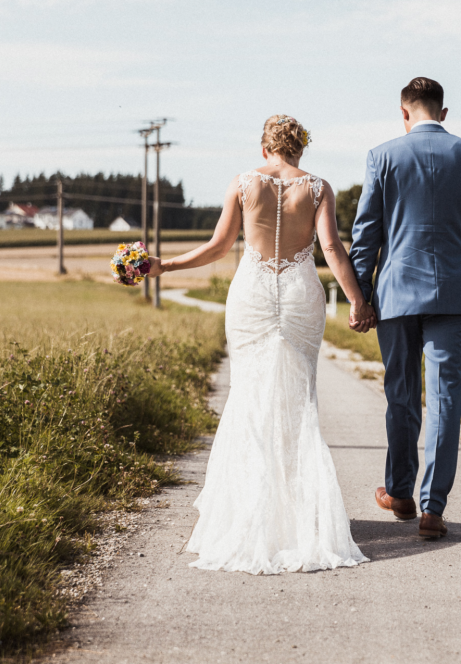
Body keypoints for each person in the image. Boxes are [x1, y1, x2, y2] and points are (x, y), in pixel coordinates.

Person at [147, 115, 373, 574]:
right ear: (300, 148)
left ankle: (244, 512)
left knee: (248, 395)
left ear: (265, 146)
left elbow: (216, 247)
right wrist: (357, 301)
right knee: (298, 403)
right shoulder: (318, 188)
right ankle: (296, 518)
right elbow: (330, 248)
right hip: (298, 296)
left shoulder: (243, 183)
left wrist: (164, 266)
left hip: (250, 295)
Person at [349, 77, 461, 539]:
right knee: (444, 398)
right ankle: (433, 508)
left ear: (403, 112)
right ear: (443, 112)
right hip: (457, 294)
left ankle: (399, 492)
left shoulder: (382, 156)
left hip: (396, 294)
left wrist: (360, 296)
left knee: (401, 394)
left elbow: (365, 235)